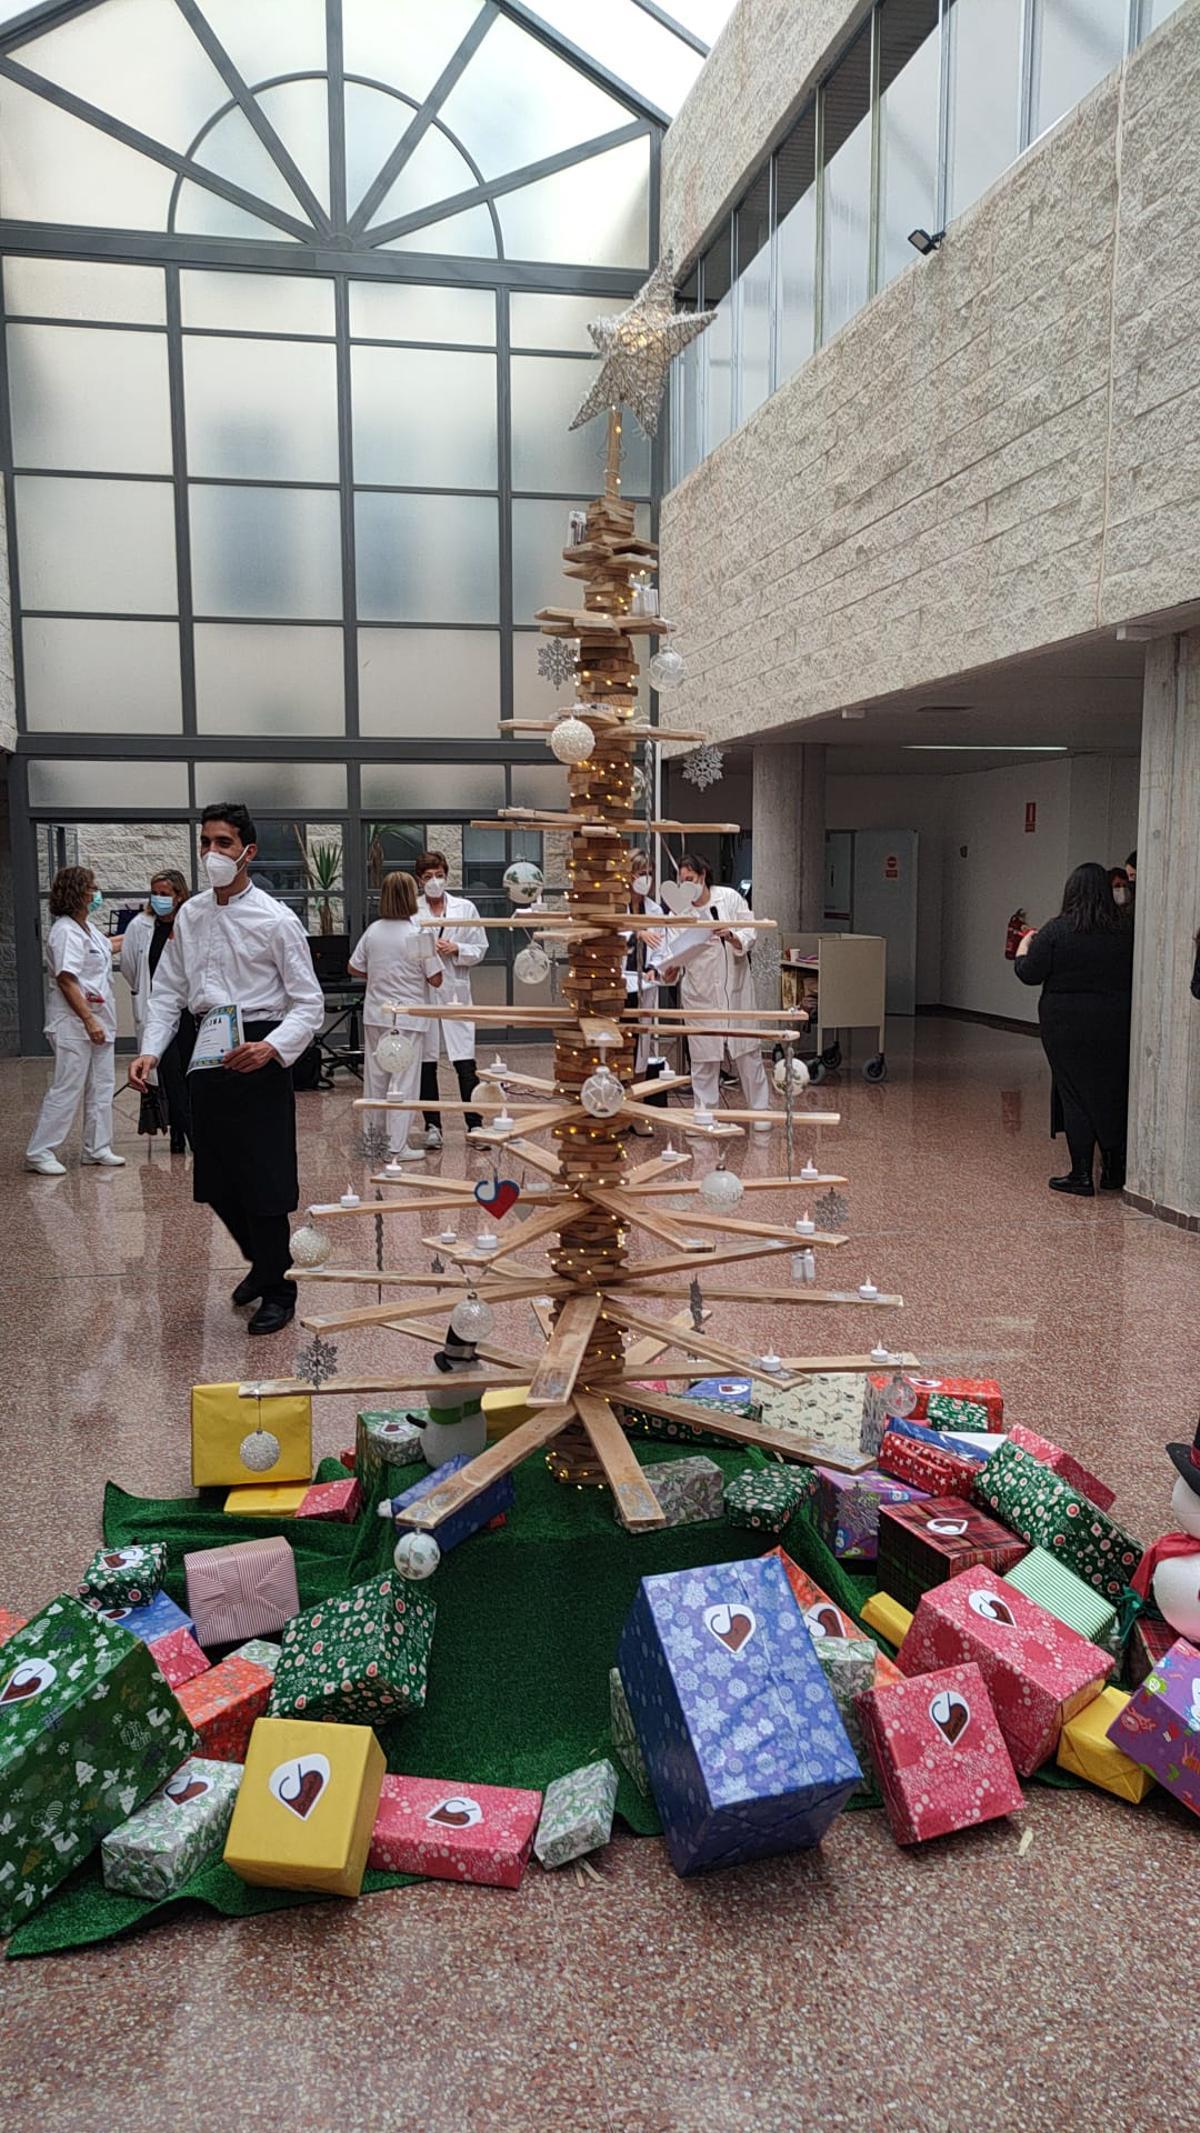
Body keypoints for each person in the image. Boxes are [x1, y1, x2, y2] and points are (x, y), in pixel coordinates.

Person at [131, 804, 325, 1335]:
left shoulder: (276, 919)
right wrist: (150, 1049)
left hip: (260, 1047)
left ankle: (278, 1287)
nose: (212, 853)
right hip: (205, 1048)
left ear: (248, 852)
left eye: (223, 843)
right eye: (206, 843)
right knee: (216, 1178)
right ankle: (264, 1264)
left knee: (263, 1176)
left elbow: (309, 1004)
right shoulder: (190, 915)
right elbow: (169, 991)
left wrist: (273, 1049)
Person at [1014, 860, 1134, 1196]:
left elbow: (1029, 973)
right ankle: (1113, 1169)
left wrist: (1024, 946)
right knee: (1113, 1091)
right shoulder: (1125, 930)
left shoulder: (1057, 930)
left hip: (1065, 1023)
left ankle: (1081, 1174)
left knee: (1074, 1094)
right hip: (1115, 1020)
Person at [656, 853, 774, 1131]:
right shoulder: (679, 912)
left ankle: (760, 1113)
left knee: (748, 1054)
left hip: (736, 990)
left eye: (691, 879)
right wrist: (669, 971)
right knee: (704, 1059)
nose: (687, 885)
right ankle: (705, 1115)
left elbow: (750, 931)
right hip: (700, 992)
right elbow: (671, 955)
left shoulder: (729, 899)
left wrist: (732, 935)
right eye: (681, 881)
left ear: (703, 875)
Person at [25, 865, 125, 1176]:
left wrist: (145, 925)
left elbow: (109, 945)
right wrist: (88, 1021)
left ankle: (96, 1147)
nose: (97, 892)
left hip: (99, 1019)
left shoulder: (87, 928)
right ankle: (39, 1152)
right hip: (74, 1022)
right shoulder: (65, 931)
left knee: (102, 1084)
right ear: (78, 892)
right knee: (67, 1086)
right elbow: (67, 980)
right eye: (92, 887)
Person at [350, 871, 443, 1162]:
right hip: (408, 1017)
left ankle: (374, 1144)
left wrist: (379, 974)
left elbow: (353, 967)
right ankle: (397, 1147)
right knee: (403, 1082)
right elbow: (437, 979)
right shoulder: (418, 934)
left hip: (376, 1014)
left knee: (375, 1082)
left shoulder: (373, 930)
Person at [414, 850, 486, 1150]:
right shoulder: (412, 909)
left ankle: (475, 1125)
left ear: (446, 875)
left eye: (439, 875)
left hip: (456, 991)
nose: (434, 881)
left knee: (464, 1060)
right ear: (420, 880)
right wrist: (427, 953)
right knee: (426, 1062)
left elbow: (481, 946)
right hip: (424, 991)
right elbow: (407, 949)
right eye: (428, 876)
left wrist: (456, 948)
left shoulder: (464, 908)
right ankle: (432, 1126)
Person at [120, 869, 194, 1153]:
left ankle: (190, 1129)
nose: (159, 899)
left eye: (165, 894)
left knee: (188, 1071)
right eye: (155, 893)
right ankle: (181, 1133)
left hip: (188, 1010)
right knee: (170, 1073)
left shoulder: (188, 923)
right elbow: (130, 965)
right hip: (158, 1009)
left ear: (179, 896)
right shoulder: (141, 925)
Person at [625, 850, 666, 1133]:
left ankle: (637, 1114)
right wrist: (636, 932)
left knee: (641, 1051)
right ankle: (617, 1114)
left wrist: (654, 966)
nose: (646, 880)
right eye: (641, 874)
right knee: (620, 1051)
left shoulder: (654, 909)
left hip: (644, 985)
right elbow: (609, 935)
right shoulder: (615, 908)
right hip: (618, 986)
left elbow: (663, 946)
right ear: (628, 876)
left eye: (649, 874)